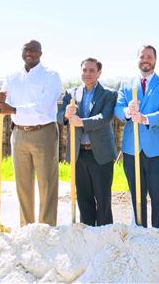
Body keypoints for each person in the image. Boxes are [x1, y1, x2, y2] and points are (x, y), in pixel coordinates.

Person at [0, 40, 62, 226]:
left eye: (33, 50)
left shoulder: (51, 76)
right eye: (26, 50)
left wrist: (13, 109)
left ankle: (46, 228)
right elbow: (2, 103)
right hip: (19, 134)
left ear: (41, 53)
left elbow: (44, 106)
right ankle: (26, 227)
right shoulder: (11, 77)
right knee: (22, 184)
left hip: (43, 132)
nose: (29, 53)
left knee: (47, 182)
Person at [114, 45, 159, 228]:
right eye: (142, 56)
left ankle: (157, 235)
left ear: (155, 60)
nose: (145, 59)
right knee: (136, 195)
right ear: (137, 59)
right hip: (132, 148)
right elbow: (117, 109)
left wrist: (145, 118)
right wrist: (127, 111)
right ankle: (139, 231)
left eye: (149, 56)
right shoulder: (126, 85)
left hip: (157, 150)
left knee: (157, 195)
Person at [57, 58, 117, 226]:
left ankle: (105, 234)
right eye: (84, 70)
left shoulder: (109, 94)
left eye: (91, 70)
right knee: (83, 198)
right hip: (79, 153)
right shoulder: (71, 93)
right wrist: (67, 115)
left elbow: (105, 118)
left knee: (103, 198)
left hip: (101, 153)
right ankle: (87, 233)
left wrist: (81, 122)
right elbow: (60, 117)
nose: (87, 74)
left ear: (99, 72)